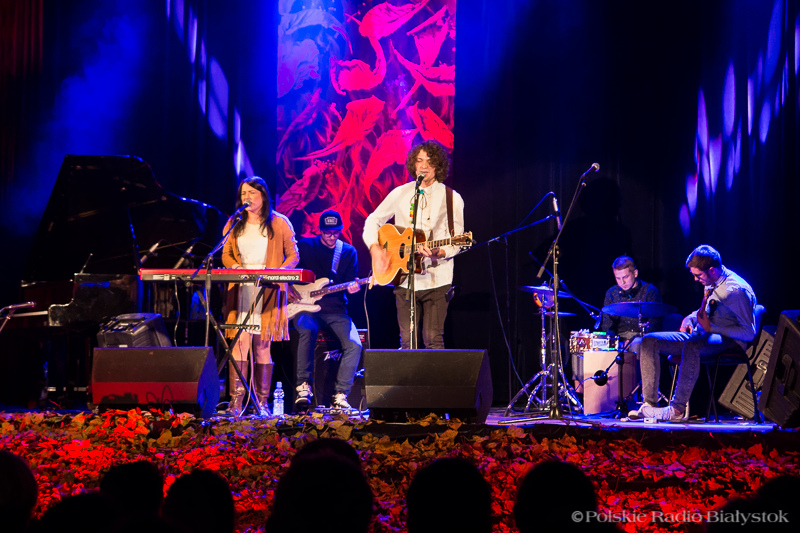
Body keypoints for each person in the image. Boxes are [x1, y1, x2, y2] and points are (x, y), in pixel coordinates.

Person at [629, 245, 757, 422]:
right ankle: (649, 406)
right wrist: (690, 318)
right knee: (649, 341)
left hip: (729, 340)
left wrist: (712, 328)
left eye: (698, 275)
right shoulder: (712, 282)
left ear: (711, 270)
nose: (695, 279)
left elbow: (749, 333)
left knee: (692, 345)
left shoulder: (736, 291)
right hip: (704, 333)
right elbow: (709, 310)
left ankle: (677, 410)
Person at [363, 140, 464, 349]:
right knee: (408, 342)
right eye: (419, 160)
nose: (424, 166)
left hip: (437, 278)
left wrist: (438, 251)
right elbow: (373, 220)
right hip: (404, 277)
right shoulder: (400, 193)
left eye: (430, 161)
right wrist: (375, 248)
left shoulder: (452, 198)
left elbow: (458, 241)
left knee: (432, 339)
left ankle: (434, 373)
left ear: (438, 165)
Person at [222, 176, 299, 416]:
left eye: (252, 193)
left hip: (267, 288)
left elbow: (293, 255)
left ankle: (262, 403)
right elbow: (225, 254)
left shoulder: (279, 222)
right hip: (241, 288)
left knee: (262, 346)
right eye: (243, 193)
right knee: (239, 344)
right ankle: (236, 403)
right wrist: (235, 268)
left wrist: (278, 273)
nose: (247, 197)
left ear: (263, 196)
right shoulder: (234, 222)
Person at [289, 210, 362, 412]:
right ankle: (303, 386)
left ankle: (340, 394)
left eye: (336, 232)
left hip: (336, 310)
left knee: (355, 344)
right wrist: (289, 289)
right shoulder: (305, 246)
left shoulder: (348, 251)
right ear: (319, 230)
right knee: (307, 329)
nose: (332, 237)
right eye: (327, 232)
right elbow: (288, 272)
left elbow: (351, 281)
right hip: (306, 307)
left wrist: (353, 288)